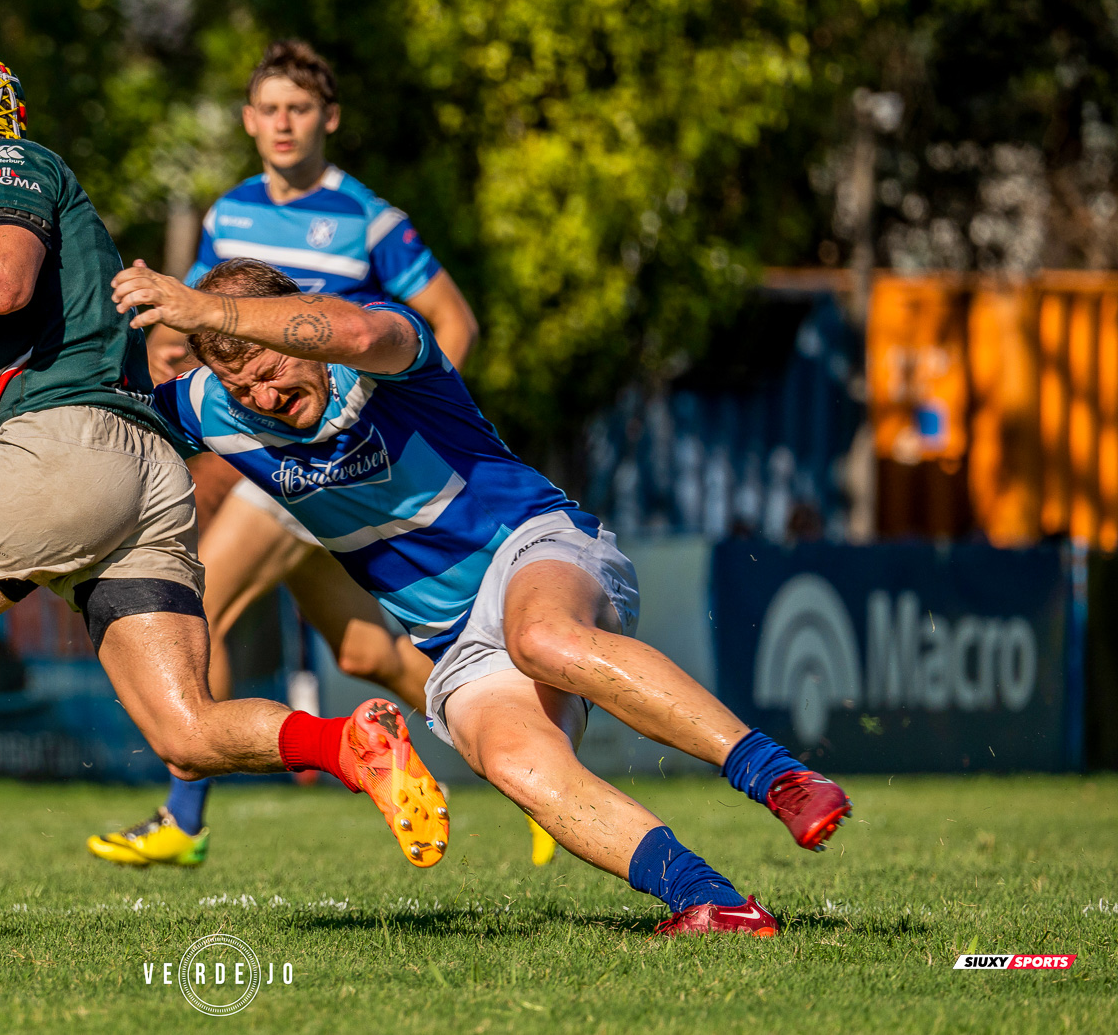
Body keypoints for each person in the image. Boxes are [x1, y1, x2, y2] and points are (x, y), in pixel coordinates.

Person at [0, 54, 448, 949]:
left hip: (75, 457)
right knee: (186, 732)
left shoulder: (3, 168)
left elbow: (1, 287)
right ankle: (348, 746)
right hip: (139, 476)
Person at [102, 257, 856, 935]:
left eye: (273, 366)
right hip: (451, 641)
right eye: (245, 385)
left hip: (535, 544)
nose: (267, 393)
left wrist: (209, 314)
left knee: (543, 639)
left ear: (295, 319)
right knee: (516, 765)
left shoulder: (381, 347)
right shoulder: (209, 405)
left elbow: (359, 334)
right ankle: (711, 901)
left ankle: (780, 778)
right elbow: (98, 417)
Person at [89, 39, 559, 869]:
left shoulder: (370, 218)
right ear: (246, 120)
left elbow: (454, 324)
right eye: (267, 109)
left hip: (328, 454)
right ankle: (529, 765)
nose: (281, 123)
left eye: (297, 109)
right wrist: (172, 346)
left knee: (202, 603)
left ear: (328, 119)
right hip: (281, 452)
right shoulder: (229, 213)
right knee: (363, 653)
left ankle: (185, 816)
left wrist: (416, 418)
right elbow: (212, 315)